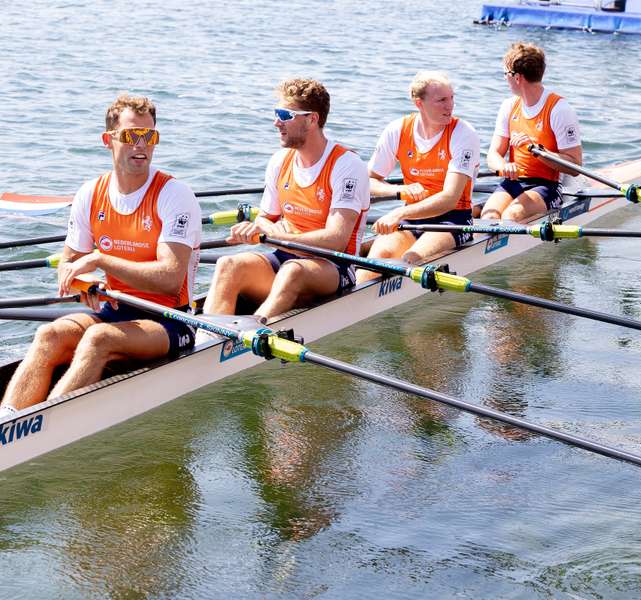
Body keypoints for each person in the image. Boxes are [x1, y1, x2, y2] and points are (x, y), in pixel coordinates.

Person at [0, 94, 201, 416]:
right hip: (115, 311)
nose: (141, 144)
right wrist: (83, 283)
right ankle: (8, 420)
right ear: (108, 140)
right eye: (130, 135)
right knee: (49, 333)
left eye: (149, 136)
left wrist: (101, 260)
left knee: (98, 339)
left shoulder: (173, 194)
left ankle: (42, 428)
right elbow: (69, 266)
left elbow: (169, 279)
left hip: (170, 320)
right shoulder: (90, 193)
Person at [203, 78, 369, 319]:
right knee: (229, 265)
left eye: (285, 114)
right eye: (276, 112)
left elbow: (335, 240)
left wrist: (276, 235)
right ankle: (210, 338)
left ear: (312, 119)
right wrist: (258, 230)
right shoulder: (280, 161)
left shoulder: (346, 165)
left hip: (334, 268)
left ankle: (249, 339)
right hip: (285, 256)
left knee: (293, 271)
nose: (276, 122)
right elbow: (263, 220)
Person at [358, 71, 480, 282]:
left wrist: (396, 214)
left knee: (410, 258)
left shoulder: (463, 133)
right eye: (441, 100)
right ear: (419, 103)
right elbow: (369, 180)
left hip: (452, 220)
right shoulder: (397, 130)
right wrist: (398, 191)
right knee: (377, 259)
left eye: (452, 98)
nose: (450, 106)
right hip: (412, 218)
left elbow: (450, 198)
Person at [481, 42, 583, 223]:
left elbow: (575, 166)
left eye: (505, 74)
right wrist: (502, 166)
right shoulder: (509, 106)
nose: (505, 79)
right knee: (489, 216)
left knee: (510, 216)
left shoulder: (559, 109)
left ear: (517, 77)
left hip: (547, 186)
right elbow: (493, 155)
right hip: (513, 181)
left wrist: (536, 150)